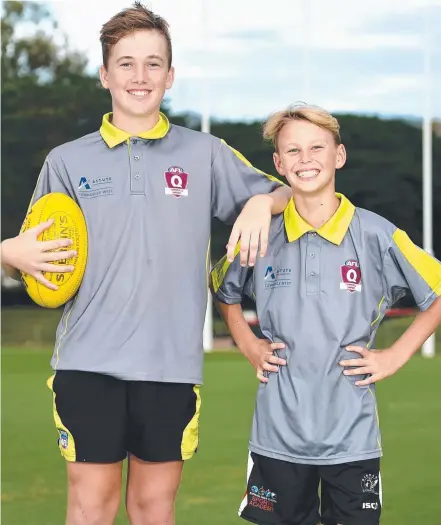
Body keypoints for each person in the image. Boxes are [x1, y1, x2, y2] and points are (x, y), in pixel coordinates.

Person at [1, 4, 292, 525]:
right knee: (92, 509)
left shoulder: (205, 153)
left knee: (154, 510)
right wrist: (8, 252)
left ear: (171, 75)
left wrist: (257, 202)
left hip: (169, 365)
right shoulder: (67, 161)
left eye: (153, 63)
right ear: (104, 74)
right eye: (127, 63)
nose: (140, 76)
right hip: (88, 363)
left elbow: (290, 194)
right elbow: (38, 259)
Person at [210, 103, 441, 525]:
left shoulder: (376, 233)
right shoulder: (262, 233)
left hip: (352, 437)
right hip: (278, 435)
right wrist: (247, 343)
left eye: (317, 147)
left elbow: (437, 293)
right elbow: (223, 291)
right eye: (293, 151)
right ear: (279, 163)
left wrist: (395, 356)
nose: (306, 159)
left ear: (339, 155)